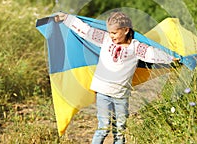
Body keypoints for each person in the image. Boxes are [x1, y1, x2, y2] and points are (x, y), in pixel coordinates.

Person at [55, 11, 178, 144]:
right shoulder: (105, 40)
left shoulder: (135, 47)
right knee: (104, 126)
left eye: (114, 33)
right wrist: (67, 18)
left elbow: (152, 54)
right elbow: (86, 31)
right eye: (110, 32)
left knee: (120, 130)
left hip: (121, 95)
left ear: (125, 30)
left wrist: (171, 59)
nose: (111, 36)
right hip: (103, 92)